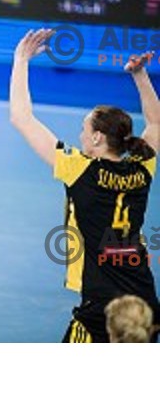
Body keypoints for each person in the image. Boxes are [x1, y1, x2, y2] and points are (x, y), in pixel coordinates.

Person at [10, 30, 160, 343]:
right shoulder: (142, 166)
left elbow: (22, 118)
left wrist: (21, 60)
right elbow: (156, 124)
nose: (79, 136)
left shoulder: (80, 169)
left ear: (97, 138)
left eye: (83, 129)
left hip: (103, 307)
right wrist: (140, 75)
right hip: (144, 301)